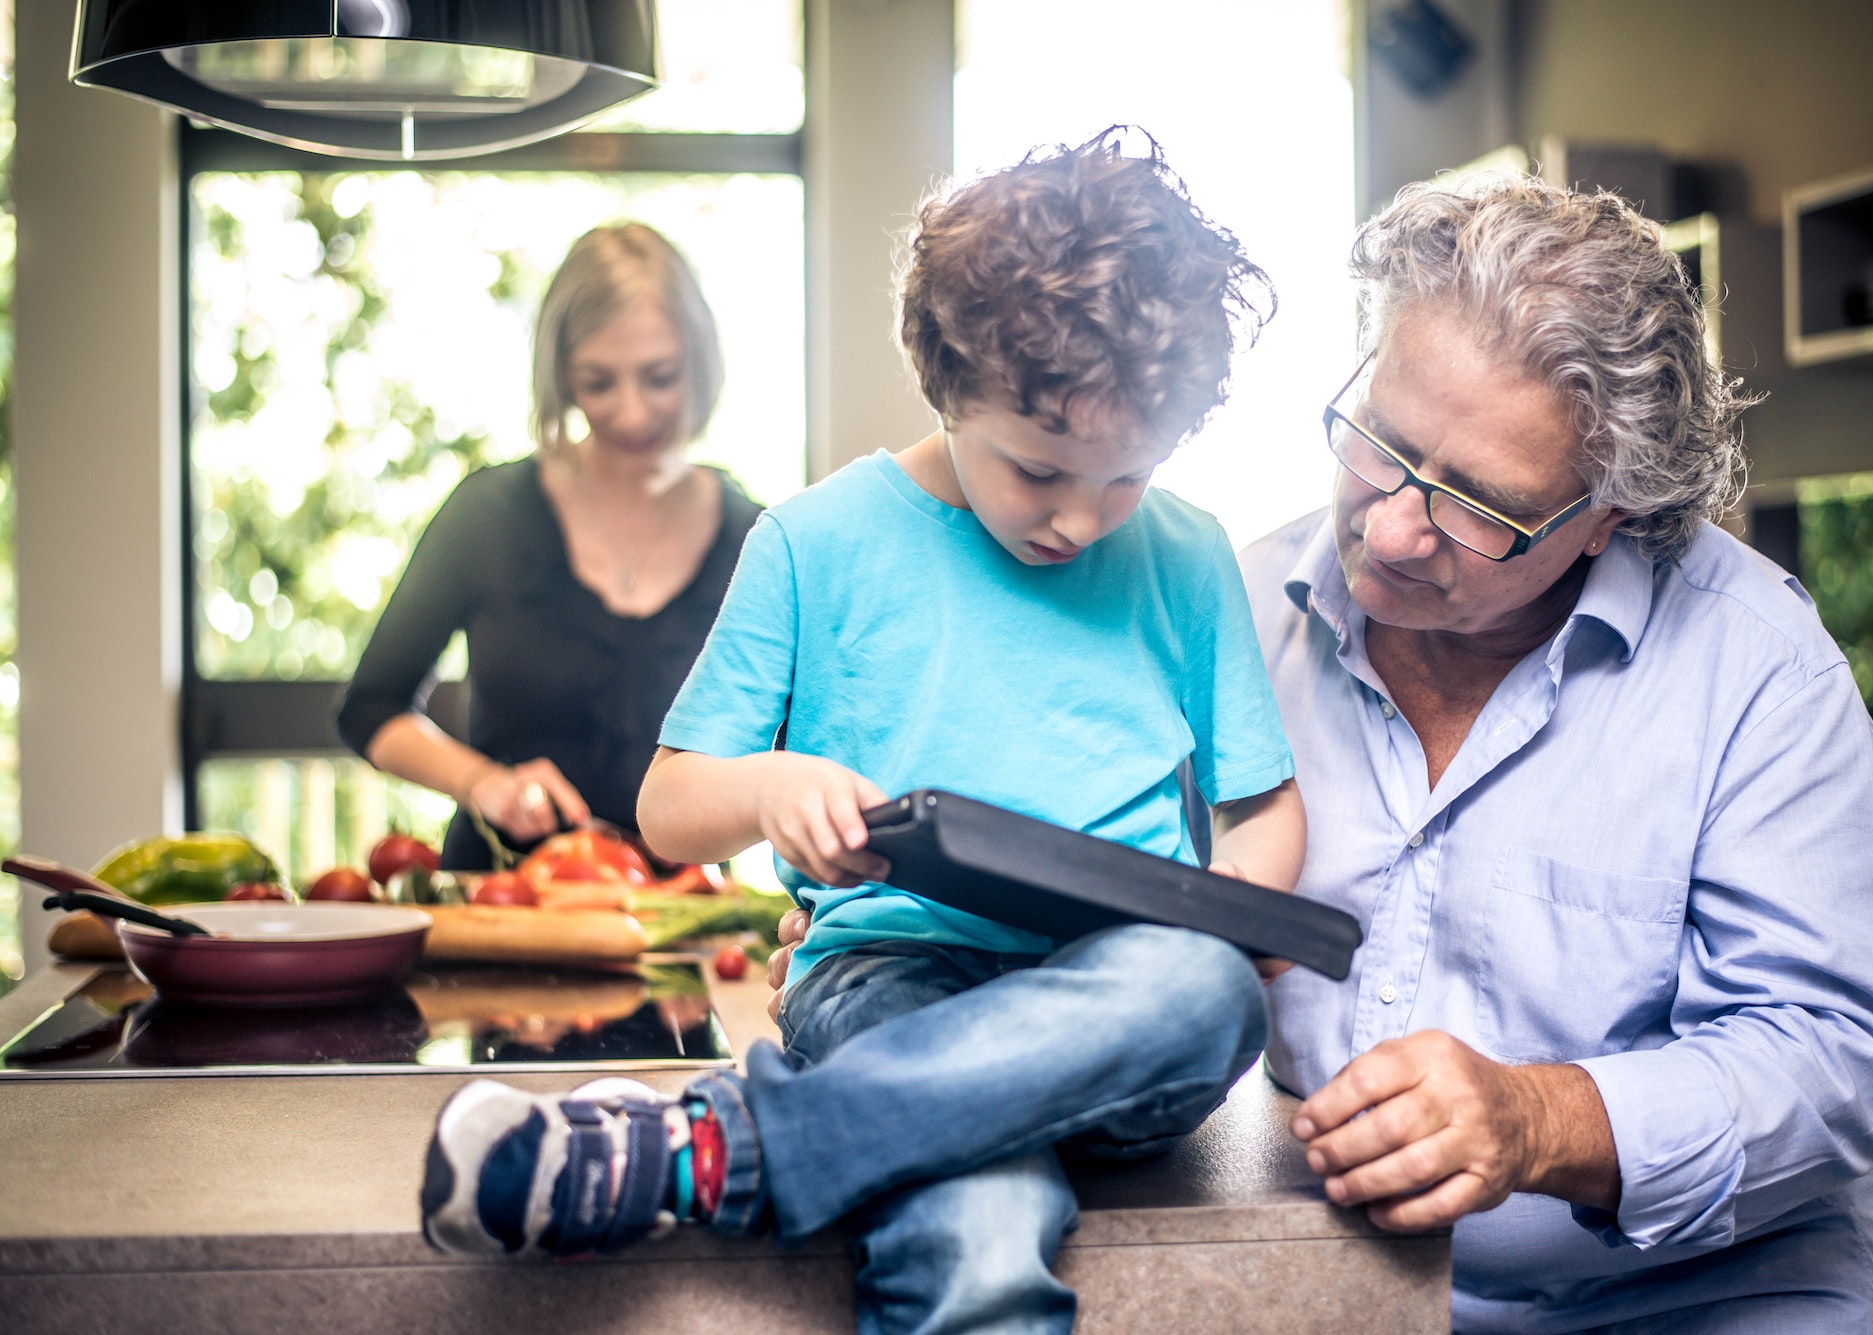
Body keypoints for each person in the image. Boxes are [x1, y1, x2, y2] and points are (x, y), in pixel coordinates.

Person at [417, 129, 1306, 1335]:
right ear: (944, 379)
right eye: (1039, 470)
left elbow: (1260, 808)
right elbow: (672, 803)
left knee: (1204, 991)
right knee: (977, 1229)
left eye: (1124, 478)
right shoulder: (810, 542)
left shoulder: (1190, 556)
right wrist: (776, 787)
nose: (1081, 521)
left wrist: (1242, 907)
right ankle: (777, 1143)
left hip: (1115, 997)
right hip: (889, 976)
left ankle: (699, 1155)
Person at [1240, 175, 1873, 1333]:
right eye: (1380, 445)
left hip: (1693, 1306)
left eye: (1479, 506)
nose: (1393, 529)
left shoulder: (1758, 667)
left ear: (1611, 515)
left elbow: (1836, 1055)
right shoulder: (1237, 611)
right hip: (1333, 1289)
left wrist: (1538, 1120)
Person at [337, 223, 763, 868]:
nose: (631, 412)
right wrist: (485, 783)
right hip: (501, 894)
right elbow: (370, 708)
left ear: (700, 363)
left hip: (680, 919)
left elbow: (799, 753)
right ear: (561, 376)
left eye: (659, 377)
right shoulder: (488, 513)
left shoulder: (754, 541)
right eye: (598, 382)